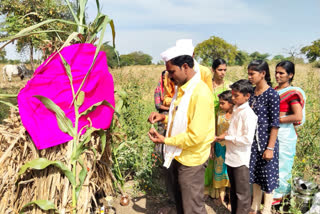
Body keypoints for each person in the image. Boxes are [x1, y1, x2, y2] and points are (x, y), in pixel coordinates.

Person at [148, 45, 215, 214]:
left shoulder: (199, 93)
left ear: (185, 67)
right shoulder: (182, 89)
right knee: (182, 204)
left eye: (171, 72)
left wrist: (165, 140)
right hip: (179, 154)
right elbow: (183, 118)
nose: (169, 77)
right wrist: (163, 117)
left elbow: (195, 136)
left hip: (191, 159)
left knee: (192, 208)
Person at [215, 80, 258, 214]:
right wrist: (224, 135)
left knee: (242, 195)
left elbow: (247, 139)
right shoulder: (236, 110)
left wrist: (227, 137)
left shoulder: (248, 115)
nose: (233, 98)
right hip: (231, 156)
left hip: (241, 159)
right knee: (234, 191)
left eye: (236, 96)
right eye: (232, 95)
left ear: (247, 96)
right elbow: (233, 131)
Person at [247, 60, 280, 214]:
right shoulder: (251, 94)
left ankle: (266, 209)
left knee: (267, 177)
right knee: (255, 175)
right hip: (253, 143)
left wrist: (270, 148)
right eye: (248, 73)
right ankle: (254, 207)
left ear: (263, 74)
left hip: (267, 143)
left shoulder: (272, 95)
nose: (249, 77)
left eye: (252, 73)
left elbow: (275, 124)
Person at [273, 61, 306, 203]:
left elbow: (297, 116)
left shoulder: (292, 93)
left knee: (282, 164)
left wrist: (277, 119)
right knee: (272, 163)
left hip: (285, 134)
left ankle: (280, 196)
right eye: (276, 72)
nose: (277, 75)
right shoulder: (274, 90)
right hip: (274, 132)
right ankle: (271, 194)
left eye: (281, 73)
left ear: (290, 75)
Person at [204, 58, 232, 195]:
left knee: (222, 156)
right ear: (213, 70)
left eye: (225, 70)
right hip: (207, 121)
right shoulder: (206, 85)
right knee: (209, 154)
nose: (223, 73)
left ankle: (222, 190)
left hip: (223, 123)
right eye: (220, 70)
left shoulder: (229, 86)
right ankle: (209, 188)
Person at [207, 90, 233, 207]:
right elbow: (216, 131)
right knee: (220, 172)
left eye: (223, 103)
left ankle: (231, 199)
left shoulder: (236, 115)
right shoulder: (219, 114)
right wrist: (212, 147)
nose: (220, 105)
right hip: (219, 148)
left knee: (231, 174)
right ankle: (221, 198)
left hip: (232, 149)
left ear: (231, 103)